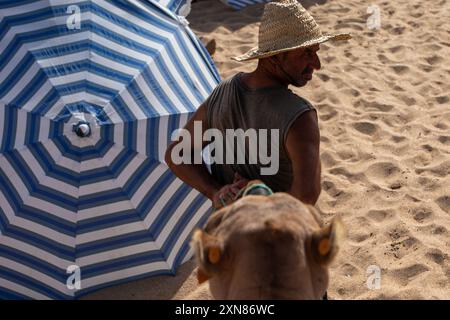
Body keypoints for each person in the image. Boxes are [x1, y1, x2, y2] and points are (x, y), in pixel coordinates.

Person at [165, 0, 350, 210]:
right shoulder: (299, 117)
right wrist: (261, 198)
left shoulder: (223, 92)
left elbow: (177, 154)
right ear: (275, 56)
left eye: (316, 52)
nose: (316, 64)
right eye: (307, 53)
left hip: (232, 231)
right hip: (276, 237)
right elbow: (306, 197)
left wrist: (216, 192)